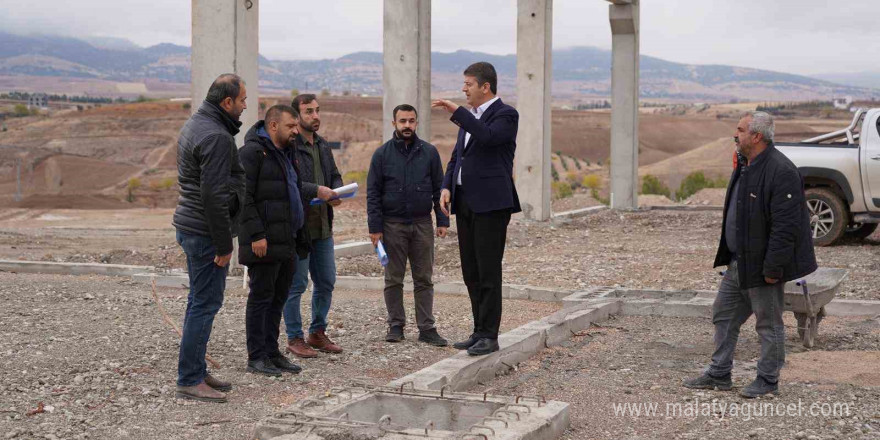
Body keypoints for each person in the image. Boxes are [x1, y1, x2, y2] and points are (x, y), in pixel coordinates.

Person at [683, 111, 817, 398]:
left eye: (741, 130)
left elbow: (786, 227)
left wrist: (772, 269)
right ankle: (719, 373)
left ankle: (768, 379)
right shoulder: (746, 164)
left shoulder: (781, 170)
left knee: (768, 323)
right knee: (724, 314)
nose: (736, 134)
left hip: (763, 266)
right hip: (739, 261)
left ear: (756, 136)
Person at [432, 62, 521, 356]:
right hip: (466, 202)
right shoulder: (471, 118)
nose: (463, 89)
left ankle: (490, 335)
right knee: (471, 271)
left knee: (488, 271)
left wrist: (456, 113)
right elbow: (457, 157)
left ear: (486, 87)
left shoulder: (506, 115)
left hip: (492, 205)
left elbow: (488, 137)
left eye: (468, 84)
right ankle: (478, 331)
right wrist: (446, 186)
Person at [172, 73, 247, 403]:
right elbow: (214, 196)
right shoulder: (216, 136)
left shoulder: (197, 123)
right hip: (204, 232)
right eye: (242, 101)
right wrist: (223, 244)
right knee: (205, 303)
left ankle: (196, 369)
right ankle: (189, 378)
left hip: (192, 226)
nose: (245, 106)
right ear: (227, 102)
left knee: (198, 302)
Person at [366, 104, 450, 346]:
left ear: (417, 123)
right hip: (392, 226)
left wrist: (442, 220)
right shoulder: (382, 155)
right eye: (402, 121)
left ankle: (427, 328)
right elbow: (373, 193)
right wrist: (375, 228)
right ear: (394, 123)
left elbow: (438, 189)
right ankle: (396, 325)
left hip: (423, 225)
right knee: (393, 278)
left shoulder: (430, 152)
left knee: (424, 278)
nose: (407, 125)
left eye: (411, 121)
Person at [238, 105, 309, 376]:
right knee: (261, 299)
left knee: (278, 298)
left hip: (286, 239)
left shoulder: (287, 154)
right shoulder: (252, 153)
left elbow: (293, 194)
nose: (296, 131)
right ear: (274, 126)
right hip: (263, 241)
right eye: (291, 126)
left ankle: (272, 352)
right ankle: (256, 357)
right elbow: (243, 197)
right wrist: (256, 234)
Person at [283, 94, 345, 358]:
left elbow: (333, 173)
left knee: (326, 281)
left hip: (323, 226)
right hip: (299, 228)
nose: (315, 116)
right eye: (309, 112)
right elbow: (290, 183)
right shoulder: (289, 146)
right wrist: (316, 190)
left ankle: (317, 332)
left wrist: (339, 190)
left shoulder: (322, 145)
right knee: (296, 285)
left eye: (317, 110)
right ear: (297, 117)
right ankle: (294, 337)